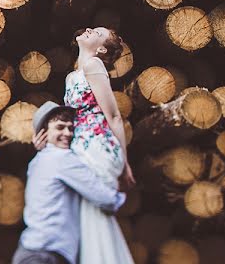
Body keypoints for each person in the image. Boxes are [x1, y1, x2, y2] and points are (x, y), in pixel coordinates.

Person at [13, 101, 125, 264]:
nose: (67, 133)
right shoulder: (62, 158)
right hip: (46, 255)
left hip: (30, 250)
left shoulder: (37, 161)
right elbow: (105, 198)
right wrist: (118, 196)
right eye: (60, 127)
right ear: (43, 133)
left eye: (70, 128)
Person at [64, 27, 135, 263]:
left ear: (101, 48)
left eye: (95, 32)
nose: (88, 30)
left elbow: (113, 116)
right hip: (80, 147)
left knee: (91, 218)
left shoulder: (94, 65)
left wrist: (124, 163)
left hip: (97, 147)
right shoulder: (74, 73)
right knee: (84, 220)